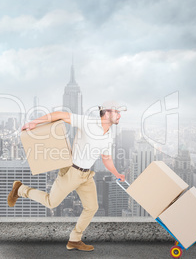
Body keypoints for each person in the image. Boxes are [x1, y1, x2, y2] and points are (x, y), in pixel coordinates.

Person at [7, 101, 126, 251]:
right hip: (72, 171)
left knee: (92, 207)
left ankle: (74, 240)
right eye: (117, 112)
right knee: (51, 202)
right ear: (107, 112)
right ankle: (20, 189)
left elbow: (106, 158)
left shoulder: (109, 136)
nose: (120, 116)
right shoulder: (88, 122)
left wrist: (117, 173)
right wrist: (33, 123)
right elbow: (61, 115)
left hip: (86, 175)